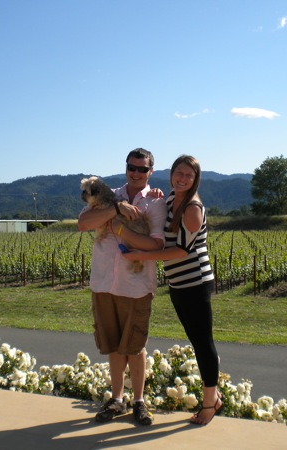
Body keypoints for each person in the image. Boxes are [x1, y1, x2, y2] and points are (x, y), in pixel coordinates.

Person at [122, 154, 222, 425]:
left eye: (189, 175)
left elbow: (181, 251)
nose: (182, 179)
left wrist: (140, 256)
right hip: (179, 283)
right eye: (179, 173)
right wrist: (155, 195)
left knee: (203, 343)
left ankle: (210, 402)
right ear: (171, 174)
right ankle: (213, 397)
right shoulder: (170, 199)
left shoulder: (192, 208)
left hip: (195, 282)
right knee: (197, 340)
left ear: (195, 179)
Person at [78, 148, 167, 426]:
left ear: (150, 172)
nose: (136, 173)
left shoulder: (155, 202)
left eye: (142, 169)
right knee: (114, 346)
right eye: (132, 167)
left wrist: (119, 229)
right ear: (126, 167)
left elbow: (155, 244)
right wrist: (116, 210)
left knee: (135, 346)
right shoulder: (109, 196)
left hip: (136, 285)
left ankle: (139, 401)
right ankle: (117, 399)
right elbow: (83, 223)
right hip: (104, 282)